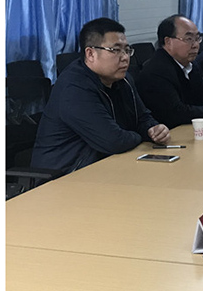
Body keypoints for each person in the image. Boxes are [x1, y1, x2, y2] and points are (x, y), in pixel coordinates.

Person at [31, 18, 170, 175]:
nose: (125, 57)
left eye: (127, 50)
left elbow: (142, 117)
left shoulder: (123, 79)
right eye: (115, 50)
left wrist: (153, 129)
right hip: (64, 176)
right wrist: (141, 136)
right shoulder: (75, 88)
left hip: (106, 166)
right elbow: (114, 141)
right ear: (90, 54)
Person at [137, 14, 203, 128]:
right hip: (170, 133)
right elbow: (177, 113)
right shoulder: (156, 71)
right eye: (189, 39)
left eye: (197, 39)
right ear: (168, 42)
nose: (195, 45)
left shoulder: (191, 64)